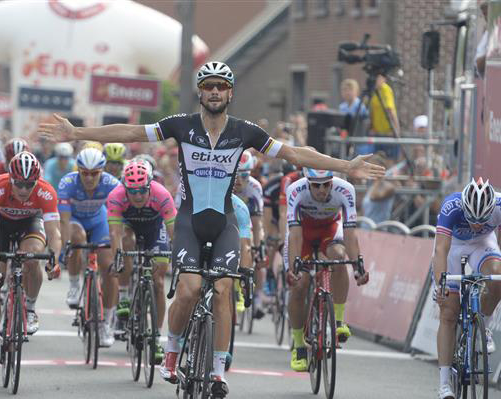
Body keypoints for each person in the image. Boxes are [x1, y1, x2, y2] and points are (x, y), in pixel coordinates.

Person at [39, 61, 384, 397]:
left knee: (223, 292)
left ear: (230, 93)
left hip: (224, 223)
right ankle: (172, 350)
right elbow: (130, 133)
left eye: (221, 86)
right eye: (208, 86)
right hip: (189, 221)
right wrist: (77, 133)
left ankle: (218, 370)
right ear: (200, 93)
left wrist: (345, 166)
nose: (215, 91)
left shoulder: (245, 131)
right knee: (188, 290)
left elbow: (294, 155)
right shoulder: (181, 125)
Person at [285, 168, 368, 372]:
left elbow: (350, 234)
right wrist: (294, 265)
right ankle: (299, 346)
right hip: (302, 233)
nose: (322, 190)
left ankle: (338, 320)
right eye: (316, 185)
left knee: (339, 257)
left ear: (333, 182)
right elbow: (294, 235)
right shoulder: (296, 190)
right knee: (300, 284)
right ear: (308, 182)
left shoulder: (346, 189)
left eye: (326, 184)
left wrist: (358, 266)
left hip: (329, 230)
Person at [0, 151, 61, 364]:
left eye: (29, 184)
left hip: (30, 224)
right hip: (2, 227)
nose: (24, 190)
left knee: (33, 258)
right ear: (11, 179)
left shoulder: (46, 192)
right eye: (19, 184)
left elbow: (54, 233)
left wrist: (55, 259)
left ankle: (30, 307)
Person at [432, 178, 501, 399]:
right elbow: (440, 250)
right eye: (473, 220)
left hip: (483, 244)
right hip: (454, 246)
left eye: (483, 220)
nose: (477, 225)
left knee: (498, 278)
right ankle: (444, 385)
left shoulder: (499, 205)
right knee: (449, 312)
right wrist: (442, 285)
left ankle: (483, 325)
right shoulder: (451, 206)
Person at [107, 159, 176, 361]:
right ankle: (124, 295)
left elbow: (174, 232)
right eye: (132, 191)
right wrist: (118, 258)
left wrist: (179, 257)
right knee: (126, 243)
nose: (137, 196)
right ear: (125, 188)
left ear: (149, 186)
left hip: (155, 229)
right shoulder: (116, 196)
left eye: (141, 191)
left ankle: (155, 338)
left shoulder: (162, 194)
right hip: (129, 227)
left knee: (159, 282)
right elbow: (115, 234)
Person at [58, 147, 119, 347]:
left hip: (98, 220)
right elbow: (64, 221)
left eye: (95, 174)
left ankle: (106, 322)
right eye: (85, 173)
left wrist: (116, 249)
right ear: (79, 170)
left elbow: (116, 221)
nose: (90, 178)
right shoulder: (68, 183)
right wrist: (65, 248)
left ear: (102, 171)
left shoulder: (111, 184)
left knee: (109, 268)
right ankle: (75, 285)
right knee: (77, 238)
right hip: (75, 221)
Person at [233, 150, 267, 318]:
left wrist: (258, 246)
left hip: (246, 223)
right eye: (235, 174)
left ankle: (255, 295)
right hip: (227, 221)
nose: (239, 180)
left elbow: (257, 221)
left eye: (244, 175)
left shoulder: (254, 187)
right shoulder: (223, 182)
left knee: (258, 256)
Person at [369, 74, 401, 160]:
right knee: (377, 159)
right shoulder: (373, 91)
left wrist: (395, 129)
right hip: (377, 133)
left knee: (389, 159)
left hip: (388, 132)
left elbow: (390, 110)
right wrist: (372, 127)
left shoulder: (385, 90)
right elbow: (372, 111)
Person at [339, 78, 371, 155]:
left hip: (359, 140)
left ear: (356, 91)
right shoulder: (342, 107)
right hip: (346, 139)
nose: (347, 92)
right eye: (345, 90)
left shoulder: (361, 106)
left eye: (350, 90)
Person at [361, 155, 396, 224]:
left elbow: (373, 197)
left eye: (373, 167)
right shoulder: (371, 186)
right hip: (365, 228)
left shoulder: (389, 187)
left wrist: (379, 179)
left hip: (379, 230)